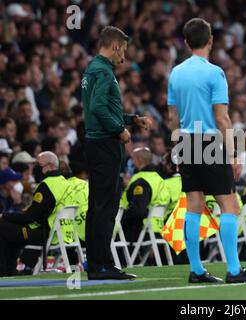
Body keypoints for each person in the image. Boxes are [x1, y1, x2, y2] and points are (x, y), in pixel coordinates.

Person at [167, 18, 246, 284]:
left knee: (194, 205)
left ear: (186, 43)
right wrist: (233, 153)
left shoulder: (175, 73)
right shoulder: (215, 73)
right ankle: (233, 270)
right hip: (210, 142)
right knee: (229, 205)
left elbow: (172, 117)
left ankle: (196, 270)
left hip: (186, 141)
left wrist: (177, 149)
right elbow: (222, 118)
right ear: (210, 40)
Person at [81, 26, 152, 280]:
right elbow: (98, 107)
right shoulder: (103, 71)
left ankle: (96, 262)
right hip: (105, 145)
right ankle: (102, 265)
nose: (124, 55)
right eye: (122, 49)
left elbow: (102, 109)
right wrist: (120, 129)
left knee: (97, 205)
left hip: (96, 143)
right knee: (106, 206)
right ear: (114, 47)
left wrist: (132, 119)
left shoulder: (94, 69)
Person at [0, 152, 71, 276]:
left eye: (39, 164)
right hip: (64, 232)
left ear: (49, 166)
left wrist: (4, 215)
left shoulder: (46, 186)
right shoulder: (64, 182)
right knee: (10, 229)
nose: (35, 168)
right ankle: (10, 270)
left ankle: (4, 270)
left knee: (3, 225)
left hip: (44, 233)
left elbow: (29, 218)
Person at [120, 147, 170, 244]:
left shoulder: (141, 182)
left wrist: (119, 216)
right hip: (158, 228)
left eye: (132, 158)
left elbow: (138, 211)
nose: (131, 162)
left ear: (139, 160)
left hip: (139, 230)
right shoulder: (158, 178)